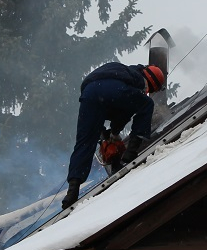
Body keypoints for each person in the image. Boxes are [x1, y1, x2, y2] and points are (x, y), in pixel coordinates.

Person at [62, 63, 167, 209]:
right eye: (149, 89)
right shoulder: (137, 78)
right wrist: (115, 132)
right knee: (146, 104)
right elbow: (127, 108)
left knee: (84, 141)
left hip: (89, 93)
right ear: (149, 82)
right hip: (111, 91)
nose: (146, 91)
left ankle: (72, 191)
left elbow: (114, 107)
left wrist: (105, 134)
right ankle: (131, 153)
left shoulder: (121, 71)